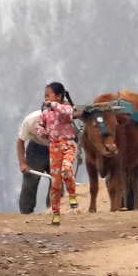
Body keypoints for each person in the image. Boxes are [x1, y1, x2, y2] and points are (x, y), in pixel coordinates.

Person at [36, 82, 79, 226]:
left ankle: (72, 194)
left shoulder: (66, 108)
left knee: (66, 169)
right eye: (45, 96)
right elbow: (38, 125)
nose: (46, 99)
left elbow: (69, 112)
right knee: (55, 184)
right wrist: (43, 132)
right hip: (54, 149)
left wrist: (54, 105)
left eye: (48, 95)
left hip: (67, 145)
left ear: (59, 96)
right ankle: (56, 213)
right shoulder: (45, 114)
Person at [16, 109, 50, 214]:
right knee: (30, 183)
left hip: (56, 149)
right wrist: (22, 163)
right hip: (35, 150)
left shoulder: (62, 119)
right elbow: (20, 141)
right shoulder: (30, 120)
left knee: (57, 182)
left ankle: (54, 211)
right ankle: (26, 214)